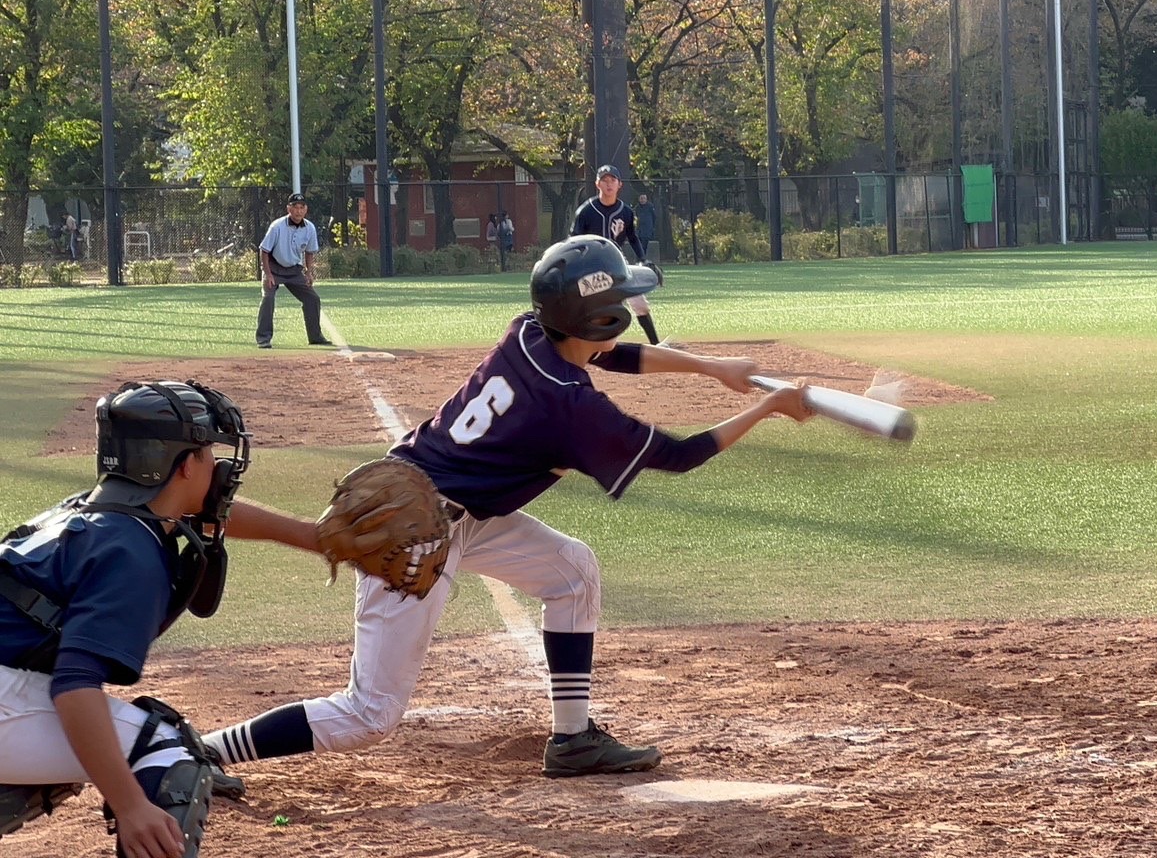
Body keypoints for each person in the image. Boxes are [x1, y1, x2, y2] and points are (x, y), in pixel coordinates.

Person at [202, 236, 815, 780]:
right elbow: (680, 455)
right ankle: (197, 752)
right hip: (414, 533)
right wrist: (767, 408)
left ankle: (573, 740)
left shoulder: (529, 332)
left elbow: (608, 352)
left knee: (573, 572)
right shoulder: (571, 410)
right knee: (370, 715)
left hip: (458, 508)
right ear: (597, 316)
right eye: (621, 302)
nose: (628, 310)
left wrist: (710, 368)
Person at [0, 380, 323, 856]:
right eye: (208, 451)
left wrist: (312, 536)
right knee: (167, 752)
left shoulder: (95, 513)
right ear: (186, 465)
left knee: (98, 746)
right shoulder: (132, 552)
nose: (218, 466)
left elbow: (213, 517)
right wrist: (130, 805)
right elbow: (74, 686)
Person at [574, 166, 661, 344]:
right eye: (604, 180)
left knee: (640, 304)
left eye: (612, 180)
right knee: (590, 308)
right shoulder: (586, 211)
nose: (609, 184)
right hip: (592, 266)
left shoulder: (626, 212)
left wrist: (643, 260)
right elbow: (574, 240)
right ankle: (583, 345)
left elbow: (633, 238)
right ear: (597, 184)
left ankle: (656, 344)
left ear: (619, 184)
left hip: (617, 263)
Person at [256, 193, 332, 349]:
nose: (298, 211)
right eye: (295, 207)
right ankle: (263, 338)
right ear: (288, 209)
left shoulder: (309, 227)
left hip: (294, 270)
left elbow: (310, 252)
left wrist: (309, 272)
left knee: (312, 299)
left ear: (306, 209)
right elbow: (264, 250)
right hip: (274, 267)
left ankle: (315, 337)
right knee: (268, 298)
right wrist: (268, 274)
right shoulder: (277, 226)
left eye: (301, 207)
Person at [633, 194, 658, 259]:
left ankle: (642, 258)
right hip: (639, 229)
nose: (642, 200)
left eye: (644, 198)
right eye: (641, 198)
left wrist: (652, 227)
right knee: (639, 244)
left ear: (646, 199)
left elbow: (654, 217)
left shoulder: (650, 206)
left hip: (647, 229)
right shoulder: (637, 208)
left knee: (644, 244)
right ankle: (639, 258)